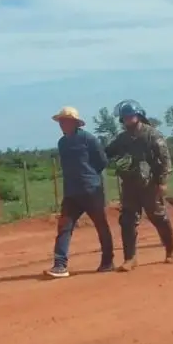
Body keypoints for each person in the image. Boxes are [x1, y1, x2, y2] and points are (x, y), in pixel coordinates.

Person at [104, 100, 173, 270]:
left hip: (150, 184)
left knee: (158, 217)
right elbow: (107, 153)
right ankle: (130, 258)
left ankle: (170, 250)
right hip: (129, 185)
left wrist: (162, 182)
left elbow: (165, 159)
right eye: (125, 117)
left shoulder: (152, 135)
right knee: (127, 221)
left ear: (138, 115)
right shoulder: (122, 138)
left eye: (131, 116)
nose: (128, 120)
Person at [44, 106, 115, 278]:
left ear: (75, 123)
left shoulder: (88, 139)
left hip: (91, 190)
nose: (62, 124)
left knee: (101, 225)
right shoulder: (62, 143)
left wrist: (89, 176)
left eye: (65, 121)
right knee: (64, 227)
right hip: (71, 193)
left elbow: (102, 161)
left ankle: (108, 261)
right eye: (60, 121)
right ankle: (60, 265)